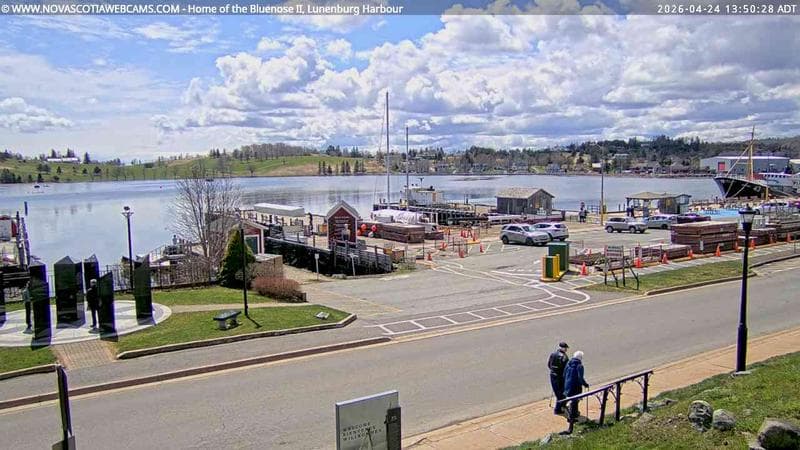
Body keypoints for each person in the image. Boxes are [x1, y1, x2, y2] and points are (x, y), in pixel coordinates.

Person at [563, 350, 590, 433]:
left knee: (573, 401)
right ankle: (572, 418)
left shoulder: (568, 363)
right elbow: (580, 378)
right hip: (575, 387)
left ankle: (574, 415)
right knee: (574, 402)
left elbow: (564, 374)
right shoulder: (580, 366)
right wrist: (585, 384)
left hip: (568, 386)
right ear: (580, 358)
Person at [547, 342, 570, 414]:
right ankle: (558, 409)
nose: (566, 349)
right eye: (565, 348)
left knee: (558, 392)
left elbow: (549, 364)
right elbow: (566, 369)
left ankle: (562, 405)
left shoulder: (553, 354)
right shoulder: (564, 357)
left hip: (553, 375)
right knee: (561, 394)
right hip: (560, 377)